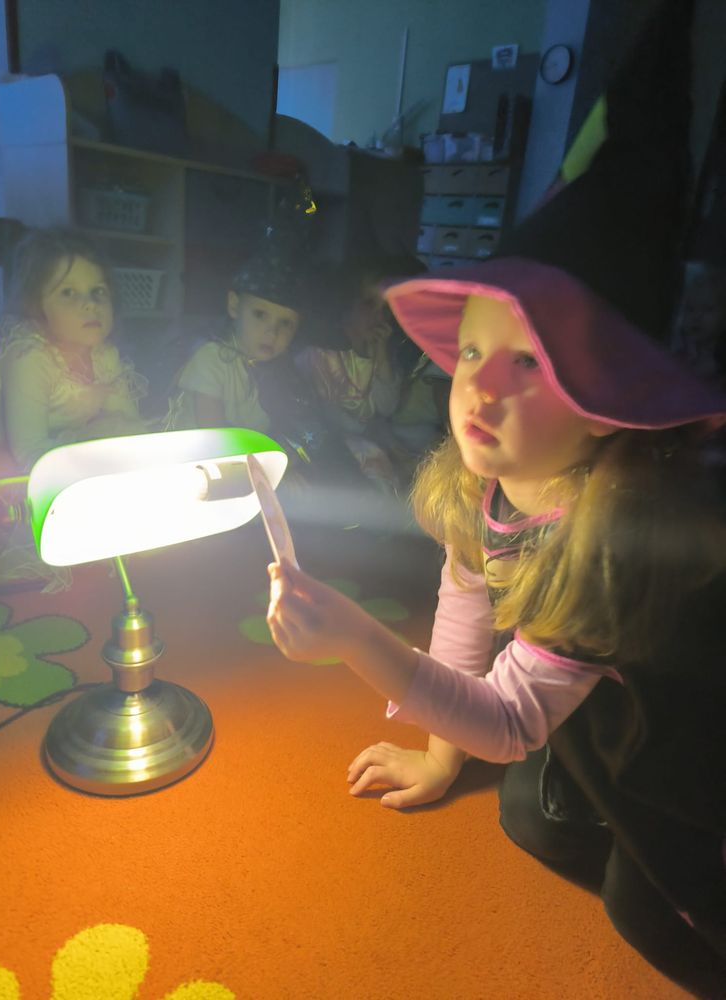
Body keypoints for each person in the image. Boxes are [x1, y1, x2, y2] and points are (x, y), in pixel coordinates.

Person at [266, 1, 726, 993]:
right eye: (473, 351)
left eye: (531, 364)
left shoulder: (617, 538)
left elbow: (512, 722)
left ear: (609, 407)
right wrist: (441, 757)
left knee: (652, 904)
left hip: (689, 724)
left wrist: (358, 638)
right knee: (529, 815)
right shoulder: (485, 477)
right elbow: (467, 592)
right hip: (596, 698)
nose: (480, 387)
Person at [0, 227, 147, 590]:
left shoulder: (104, 355)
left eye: (98, 291)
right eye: (68, 293)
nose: (90, 304)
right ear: (38, 306)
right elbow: (29, 454)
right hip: (3, 466)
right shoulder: (29, 359)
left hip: (63, 451)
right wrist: (97, 442)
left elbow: (128, 424)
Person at [167, 245, 369, 497]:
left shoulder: (278, 367)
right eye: (260, 315)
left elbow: (296, 424)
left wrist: (289, 458)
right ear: (234, 306)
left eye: (285, 323)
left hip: (250, 457)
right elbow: (215, 437)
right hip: (202, 465)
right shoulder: (212, 358)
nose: (272, 332)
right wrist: (269, 472)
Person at [296, 256, 443, 491]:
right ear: (346, 306)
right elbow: (323, 414)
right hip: (337, 442)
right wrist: (366, 434)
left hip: (373, 436)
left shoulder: (379, 353)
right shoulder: (320, 357)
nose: (379, 316)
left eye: (385, 309)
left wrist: (382, 356)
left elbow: (386, 407)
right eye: (368, 304)